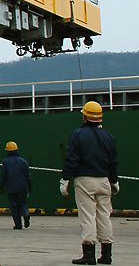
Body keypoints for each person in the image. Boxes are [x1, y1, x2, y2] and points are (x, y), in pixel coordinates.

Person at [60, 101, 119, 265]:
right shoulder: (109, 137)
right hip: (104, 181)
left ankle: (89, 255)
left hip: (85, 180)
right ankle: (107, 255)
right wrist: (114, 181)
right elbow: (113, 163)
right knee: (104, 217)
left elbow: (72, 159)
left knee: (88, 217)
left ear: (85, 116)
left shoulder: (77, 135)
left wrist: (65, 178)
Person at [0, 141, 31, 230]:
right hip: (23, 188)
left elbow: (3, 176)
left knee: (14, 206)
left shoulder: (5, 162)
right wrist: (29, 187)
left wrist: (1, 187)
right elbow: (28, 176)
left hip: (11, 188)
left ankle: (18, 225)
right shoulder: (23, 161)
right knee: (23, 204)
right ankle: (26, 213)